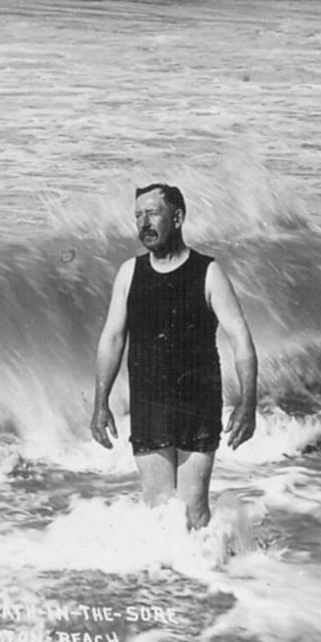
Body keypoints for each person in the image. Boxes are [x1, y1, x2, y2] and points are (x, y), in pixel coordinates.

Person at [91, 183, 258, 529]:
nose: (143, 223)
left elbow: (241, 338)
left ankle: (213, 576)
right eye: (138, 215)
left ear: (178, 217)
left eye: (152, 213)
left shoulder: (208, 272)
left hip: (197, 403)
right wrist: (100, 402)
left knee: (194, 508)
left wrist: (248, 403)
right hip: (149, 402)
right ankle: (169, 583)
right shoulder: (129, 273)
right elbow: (112, 338)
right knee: (159, 510)